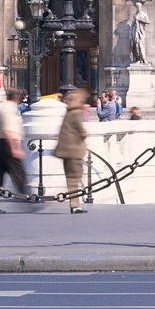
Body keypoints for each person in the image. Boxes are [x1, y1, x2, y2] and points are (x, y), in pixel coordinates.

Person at [0, 85, 29, 213]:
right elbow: (8, 130)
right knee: (19, 174)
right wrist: (15, 148)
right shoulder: (9, 109)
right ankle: (27, 199)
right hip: (8, 144)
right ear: (17, 98)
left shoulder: (1, 107)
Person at [55, 86, 93, 214]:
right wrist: (85, 134)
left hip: (66, 151)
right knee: (74, 178)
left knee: (70, 178)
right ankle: (75, 205)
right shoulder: (76, 113)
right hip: (74, 151)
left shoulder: (69, 112)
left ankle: (74, 204)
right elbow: (81, 131)